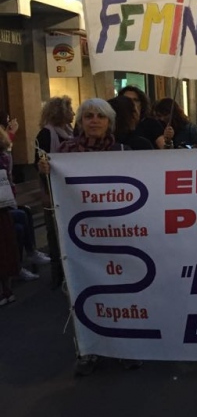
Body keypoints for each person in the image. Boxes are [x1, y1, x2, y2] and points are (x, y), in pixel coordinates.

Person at [39, 98, 141, 374]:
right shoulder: (65, 153)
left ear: (110, 122)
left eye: (100, 116)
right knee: (84, 292)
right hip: (82, 237)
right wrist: (46, 173)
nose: (94, 121)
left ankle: (125, 348)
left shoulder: (123, 152)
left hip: (119, 234)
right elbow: (53, 193)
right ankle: (89, 349)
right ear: (80, 121)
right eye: (88, 116)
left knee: (121, 294)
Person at [1, 122, 50, 282]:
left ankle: (26, 257)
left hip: (6, 202)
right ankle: (20, 263)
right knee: (19, 222)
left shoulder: (4, 156)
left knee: (24, 215)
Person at [34, 96, 75, 288]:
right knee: (54, 233)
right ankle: (57, 275)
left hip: (69, 192)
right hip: (52, 191)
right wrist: (47, 190)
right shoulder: (46, 134)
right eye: (70, 110)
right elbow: (39, 163)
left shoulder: (70, 132)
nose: (73, 113)